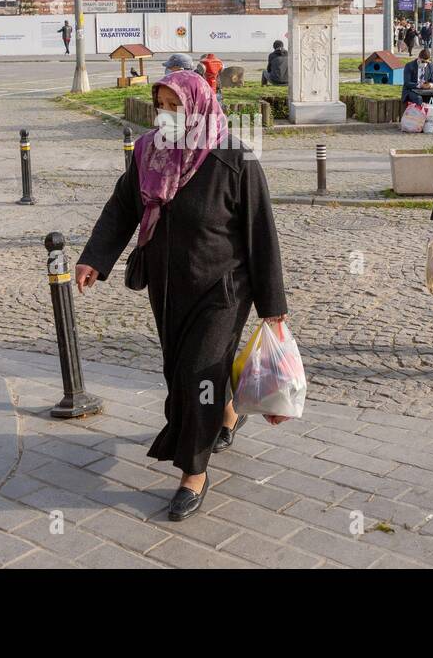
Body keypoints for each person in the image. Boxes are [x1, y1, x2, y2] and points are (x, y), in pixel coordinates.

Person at [75, 70, 290, 521]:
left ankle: (194, 472)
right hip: (168, 287)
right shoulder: (147, 154)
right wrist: (94, 257)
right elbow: (122, 208)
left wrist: (273, 310)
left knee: (198, 373)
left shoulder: (234, 158)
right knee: (181, 366)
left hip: (224, 291)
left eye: (176, 106)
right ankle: (227, 411)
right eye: (161, 106)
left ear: (198, 105)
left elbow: (261, 235)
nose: (167, 116)